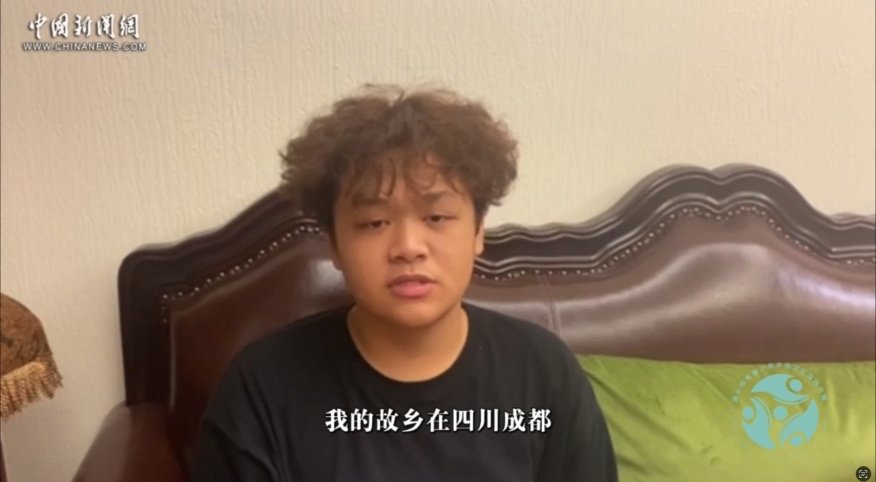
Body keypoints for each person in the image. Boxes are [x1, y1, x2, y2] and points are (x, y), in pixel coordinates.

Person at [190, 85, 618, 482]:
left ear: (477, 231)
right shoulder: (262, 387)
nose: (408, 247)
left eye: (437, 217)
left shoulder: (542, 372)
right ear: (334, 244)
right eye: (374, 222)